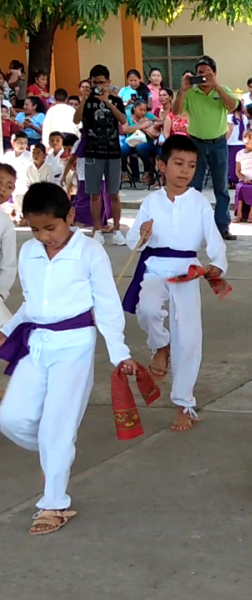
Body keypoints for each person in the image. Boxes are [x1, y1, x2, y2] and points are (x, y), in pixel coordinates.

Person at [0, 182, 136, 536]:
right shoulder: (29, 252)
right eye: (36, 229)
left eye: (51, 227)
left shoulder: (89, 251)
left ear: (70, 216)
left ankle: (53, 504)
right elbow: (31, 304)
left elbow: (106, 305)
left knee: (57, 425)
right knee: (10, 417)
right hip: (36, 341)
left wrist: (120, 352)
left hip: (75, 344)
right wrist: (9, 329)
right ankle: (55, 449)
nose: (45, 236)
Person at [123, 135, 228, 433]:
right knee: (146, 310)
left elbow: (214, 238)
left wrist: (217, 263)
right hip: (155, 266)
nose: (185, 171)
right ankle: (160, 345)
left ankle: (184, 404)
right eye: (178, 164)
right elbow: (135, 242)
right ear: (162, 165)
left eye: (191, 166)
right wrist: (142, 234)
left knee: (189, 338)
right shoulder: (151, 201)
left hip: (187, 270)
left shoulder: (199, 203)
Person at [173, 55, 239, 241]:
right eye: (199, 73)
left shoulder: (223, 90)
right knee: (193, 188)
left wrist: (216, 85)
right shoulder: (191, 93)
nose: (202, 76)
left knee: (221, 188)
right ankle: (193, 228)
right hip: (195, 144)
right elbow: (177, 111)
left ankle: (222, 227)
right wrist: (183, 90)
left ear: (215, 73)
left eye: (206, 72)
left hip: (218, 143)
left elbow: (233, 106)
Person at [73, 64, 128, 245]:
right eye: (95, 82)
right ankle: (96, 230)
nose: (99, 85)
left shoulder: (116, 100)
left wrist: (107, 101)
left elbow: (122, 120)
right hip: (92, 152)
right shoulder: (87, 101)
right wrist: (84, 99)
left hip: (112, 152)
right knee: (94, 194)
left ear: (108, 82)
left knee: (114, 193)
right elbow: (76, 119)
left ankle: (117, 229)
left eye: (102, 82)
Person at [0, 163, 17, 324]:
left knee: (9, 335)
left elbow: (8, 263)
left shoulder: (6, 224)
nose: (3, 189)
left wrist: (2, 292)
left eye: (9, 186)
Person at [226, 101, 248, 186]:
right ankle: (237, 180)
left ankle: (231, 180)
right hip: (241, 143)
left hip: (232, 143)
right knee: (238, 163)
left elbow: (229, 130)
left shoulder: (229, 117)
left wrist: (225, 140)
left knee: (232, 163)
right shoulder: (244, 118)